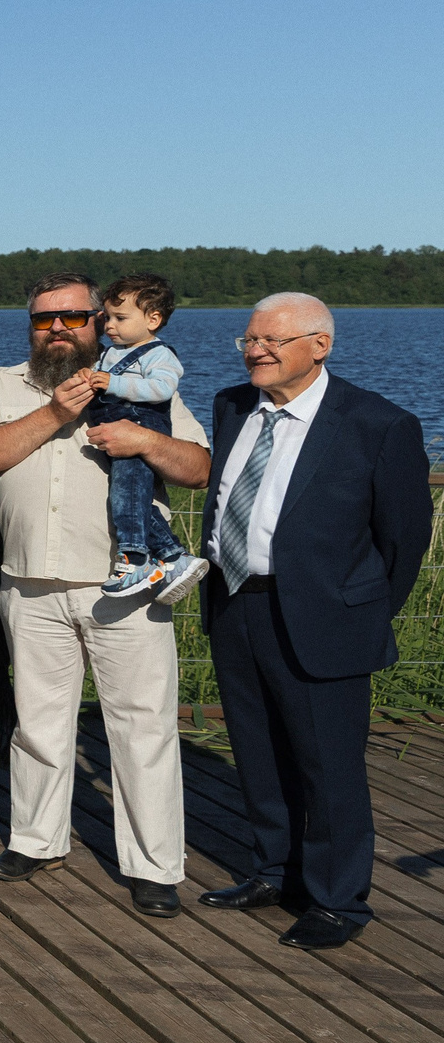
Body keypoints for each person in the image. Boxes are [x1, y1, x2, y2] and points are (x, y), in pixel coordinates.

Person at [0, 272, 210, 918]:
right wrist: (55, 413)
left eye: (73, 317)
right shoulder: (0, 385)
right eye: (44, 319)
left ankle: (154, 866)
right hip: (28, 584)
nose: (59, 329)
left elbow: (197, 468)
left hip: (123, 586)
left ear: (98, 321)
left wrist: (144, 439)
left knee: (143, 727)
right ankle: (35, 839)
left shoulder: (140, 377)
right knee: (39, 725)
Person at [196, 294, 431, 950]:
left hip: (324, 617)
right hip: (235, 600)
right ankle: (275, 871)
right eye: (249, 339)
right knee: (257, 750)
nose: (256, 351)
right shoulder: (232, 405)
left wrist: (360, 610)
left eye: (272, 341)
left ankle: (337, 899)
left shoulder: (378, 424)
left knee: (329, 767)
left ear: (320, 346)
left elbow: (404, 539)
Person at [88, 273, 205, 601]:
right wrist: (90, 377)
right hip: (116, 434)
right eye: (107, 318)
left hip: (141, 430)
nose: (110, 326)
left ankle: (135, 558)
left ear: (153, 319)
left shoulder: (159, 354)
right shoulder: (111, 353)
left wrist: (112, 384)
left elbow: (162, 388)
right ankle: (173, 556)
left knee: (126, 497)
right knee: (132, 499)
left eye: (120, 318)